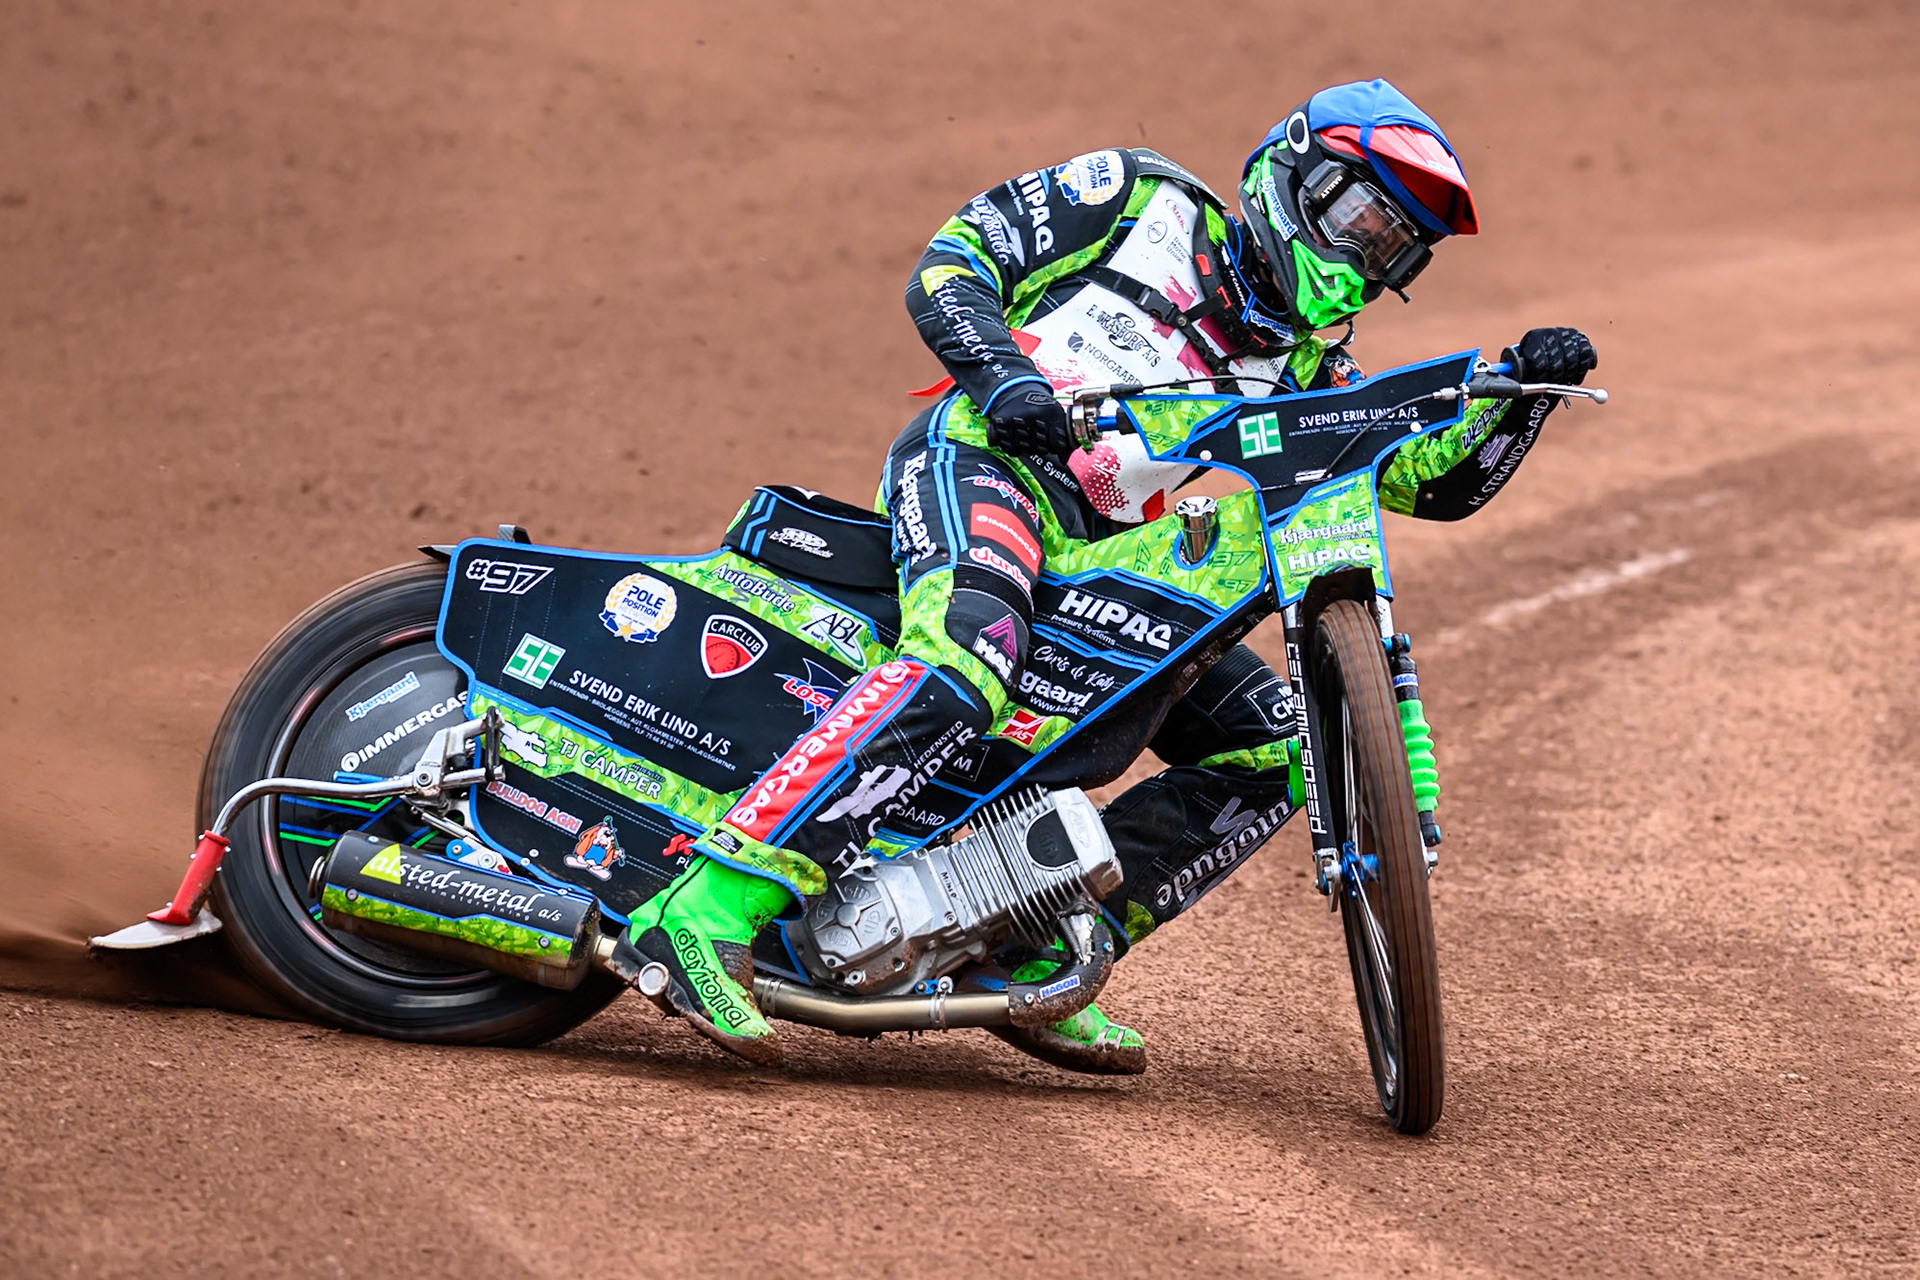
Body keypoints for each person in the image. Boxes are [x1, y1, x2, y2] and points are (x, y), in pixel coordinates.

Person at [624, 79, 1597, 1069]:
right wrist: (1005, 378)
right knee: (967, 657)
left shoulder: (1306, 367)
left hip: (1104, 541)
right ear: (1296, 171)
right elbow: (952, 262)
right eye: (1363, 219)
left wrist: (1522, 397)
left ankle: (1037, 949)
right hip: (985, 462)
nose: (1365, 260)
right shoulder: (1141, 200)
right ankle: (706, 905)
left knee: (1280, 747)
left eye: (1395, 249)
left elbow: (1426, 484)